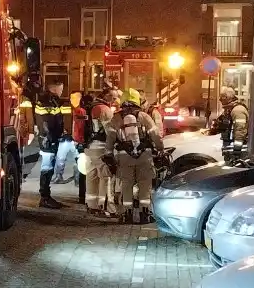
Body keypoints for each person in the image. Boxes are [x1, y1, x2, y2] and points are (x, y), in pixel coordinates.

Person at [105, 88, 164, 223]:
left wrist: (108, 154)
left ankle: (127, 214)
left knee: (126, 185)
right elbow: (155, 135)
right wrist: (160, 149)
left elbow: (110, 139)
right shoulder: (144, 116)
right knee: (145, 185)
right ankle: (145, 215)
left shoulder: (116, 118)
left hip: (124, 157)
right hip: (145, 157)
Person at [35, 78, 75, 209]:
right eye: (61, 89)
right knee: (47, 167)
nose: (61, 91)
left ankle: (46, 196)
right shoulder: (47, 102)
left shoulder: (49, 101)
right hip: (48, 140)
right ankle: (45, 197)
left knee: (49, 167)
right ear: (54, 88)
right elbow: (47, 122)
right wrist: (51, 138)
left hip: (49, 138)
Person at [83, 86, 118, 215]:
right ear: (106, 96)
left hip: (89, 146)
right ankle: (107, 207)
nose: (114, 100)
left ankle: (92, 205)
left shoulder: (91, 106)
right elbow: (110, 132)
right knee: (106, 176)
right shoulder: (105, 109)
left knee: (91, 175)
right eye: (113, 97)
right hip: (101, 146)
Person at [215, 85, 251, 159]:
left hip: (236, 150)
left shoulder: (238, 110)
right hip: (230, 147)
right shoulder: (229, 109)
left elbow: (240, 130)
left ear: (227, 98)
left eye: (222, 97)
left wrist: (236, 151)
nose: (219, 99)